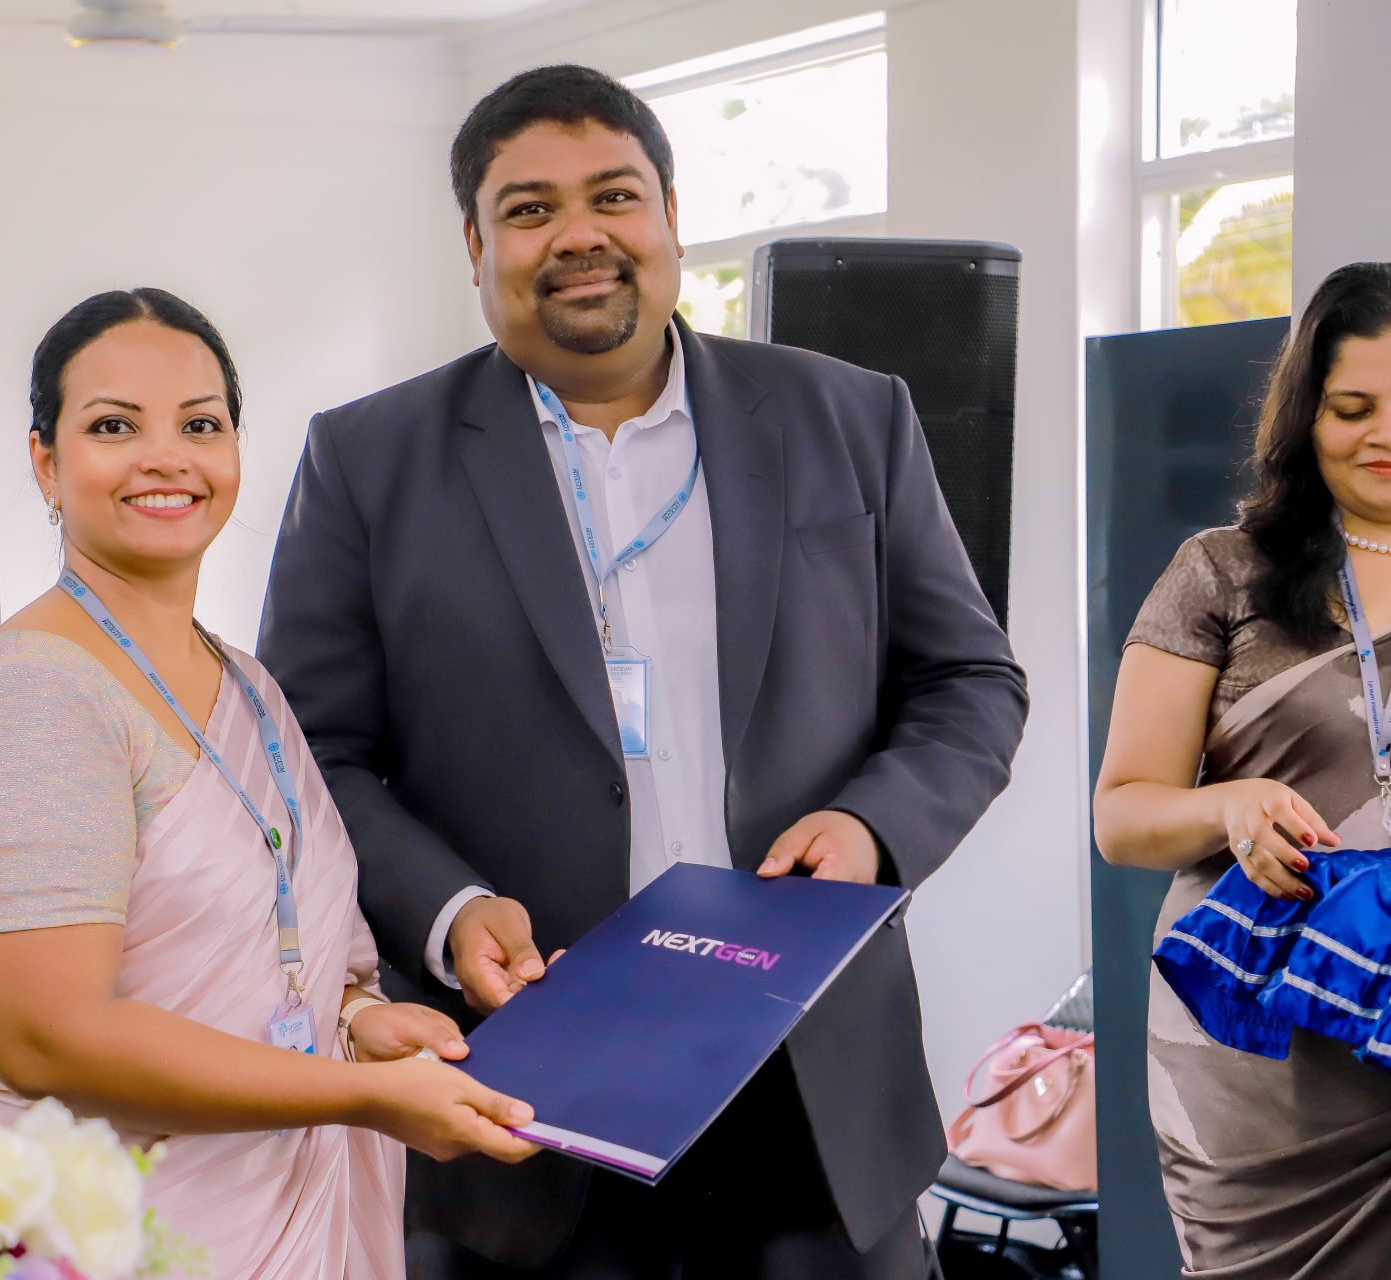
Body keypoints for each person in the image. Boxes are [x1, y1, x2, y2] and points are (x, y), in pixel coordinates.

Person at [258, 64, 1027, 1279]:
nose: (580, 235)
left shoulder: (850, 415)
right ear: (475, 242)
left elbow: (971, 679)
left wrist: (874, 828)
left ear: (670, 214)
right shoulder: (369, 458)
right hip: (518, 1089)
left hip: (813, 1081)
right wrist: (448, 911)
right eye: (529, 208)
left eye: (614, 195)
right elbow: (309, 754)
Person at [0, 289, 536, 1280]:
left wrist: (356, 1025)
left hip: (289, 1199)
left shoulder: (247, 683)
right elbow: (45, 1036)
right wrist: (355, 1094)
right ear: (46, 460)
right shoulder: (33, 692)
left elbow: (281, 950)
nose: (167, 456)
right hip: (119, 1230)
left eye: (201, 424)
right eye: (115, 425)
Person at [1094, 261, 1391, 1279]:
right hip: (1258, 1052)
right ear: (1306, 413)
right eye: (1353, 407)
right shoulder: (1223, 569)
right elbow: (1123, 816)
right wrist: (1232, 805)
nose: (1382, 434)